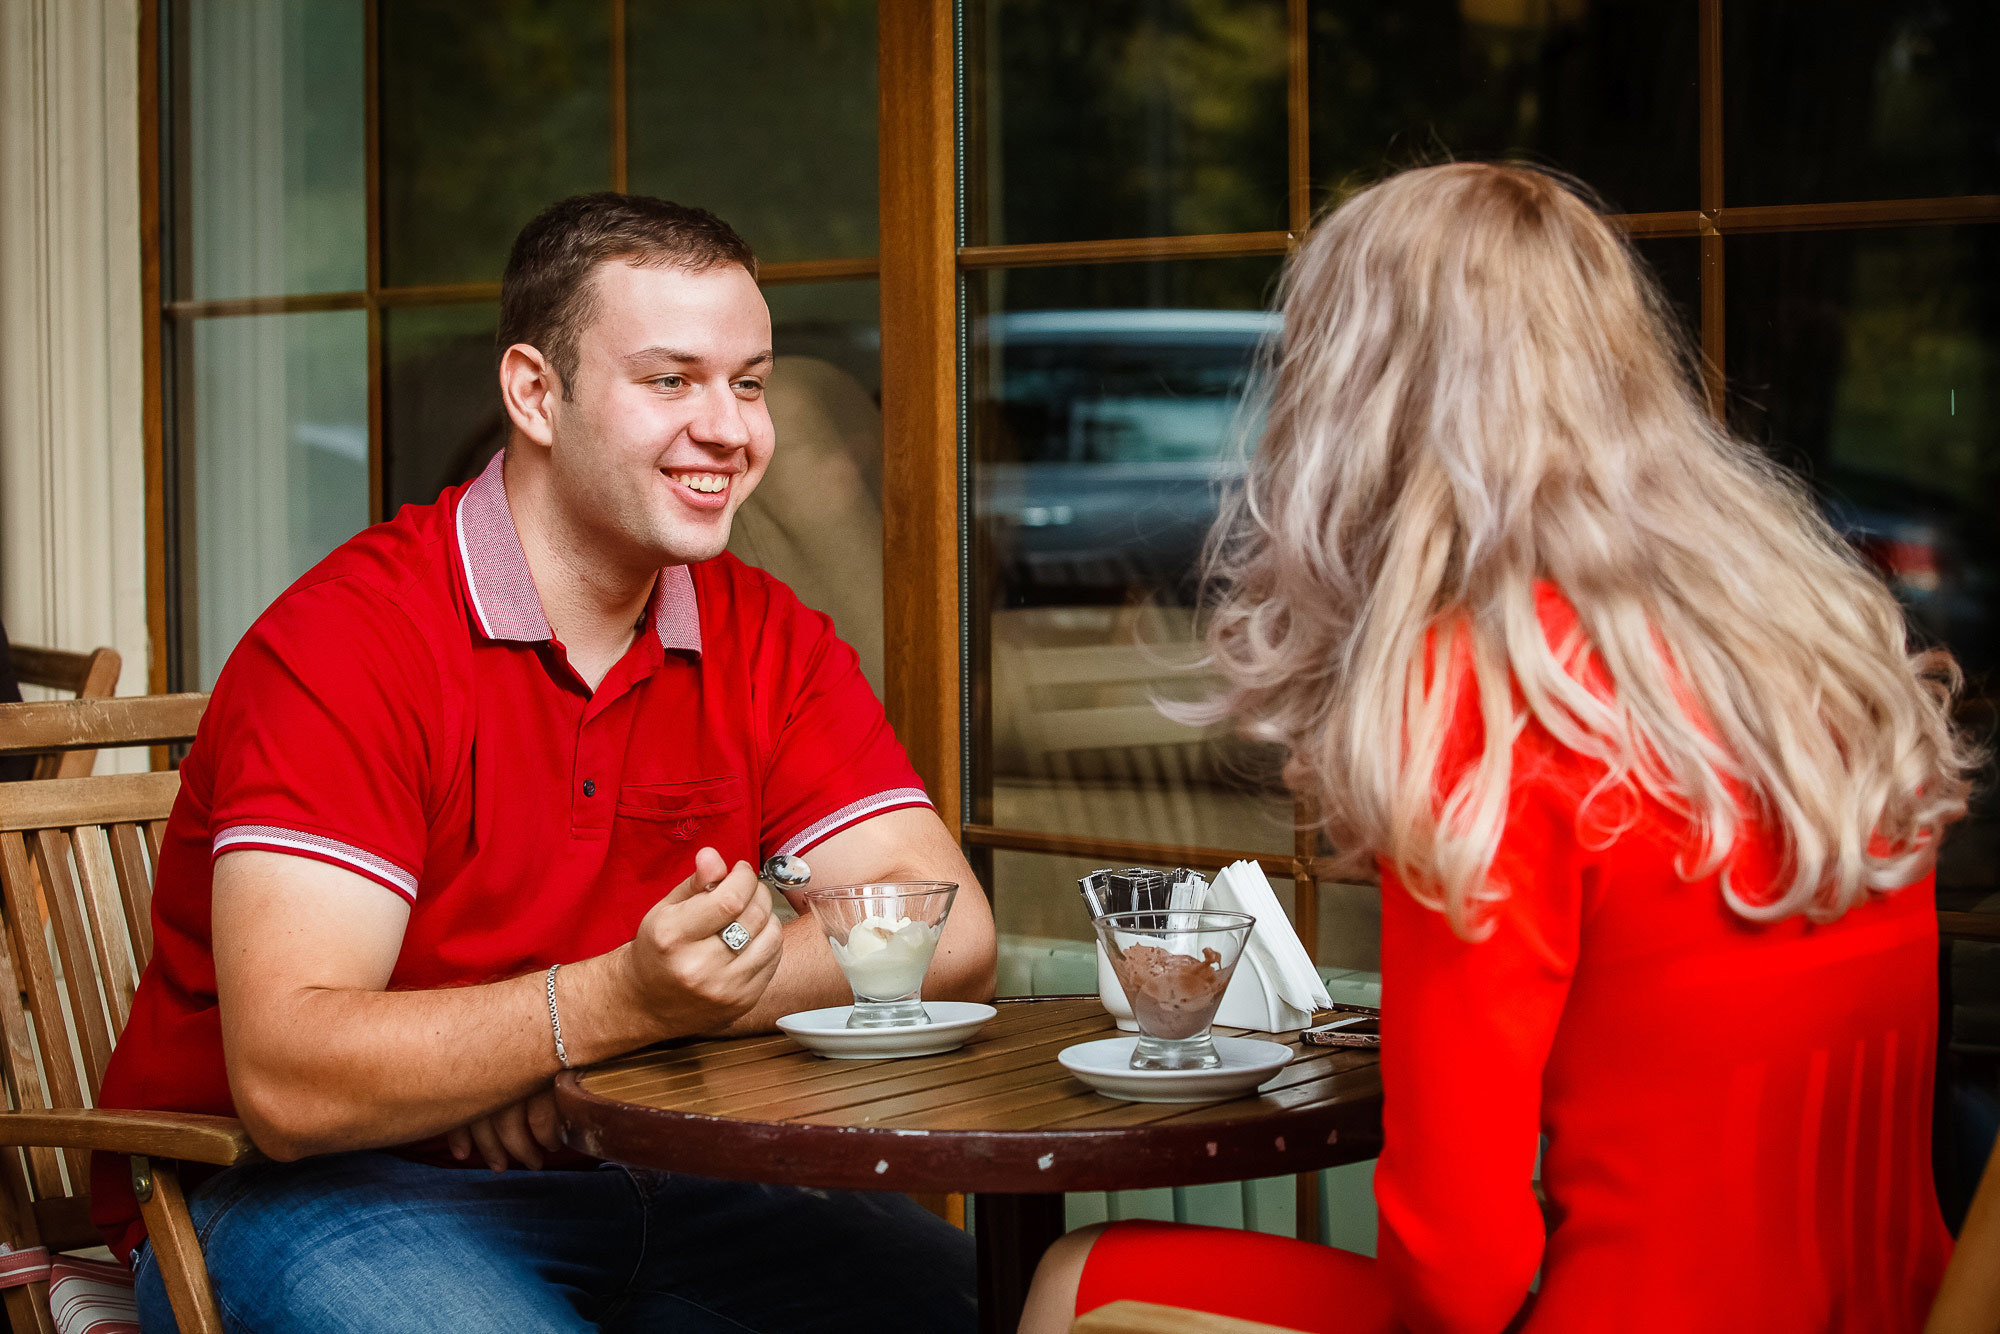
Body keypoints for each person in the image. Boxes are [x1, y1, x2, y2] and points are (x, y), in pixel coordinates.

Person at [1020, 163, 1972, 1333]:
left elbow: (1456, 1277)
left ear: (1351, 400)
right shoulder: (1808, 643)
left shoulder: (1487, 695)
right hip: (1893, 1308)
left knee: (1085, 1277)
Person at [97, 193, 995, 1333]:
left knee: (1002, 1306)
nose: (729, 429)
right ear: (534, 393)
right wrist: (608, 1003)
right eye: (670, 380)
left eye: (748, 382)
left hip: (646, 1167)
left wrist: (611, 1038)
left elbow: (947, 929)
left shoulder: (766, 635)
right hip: (309, 1193)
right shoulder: (347, 643)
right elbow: (288, 1078)